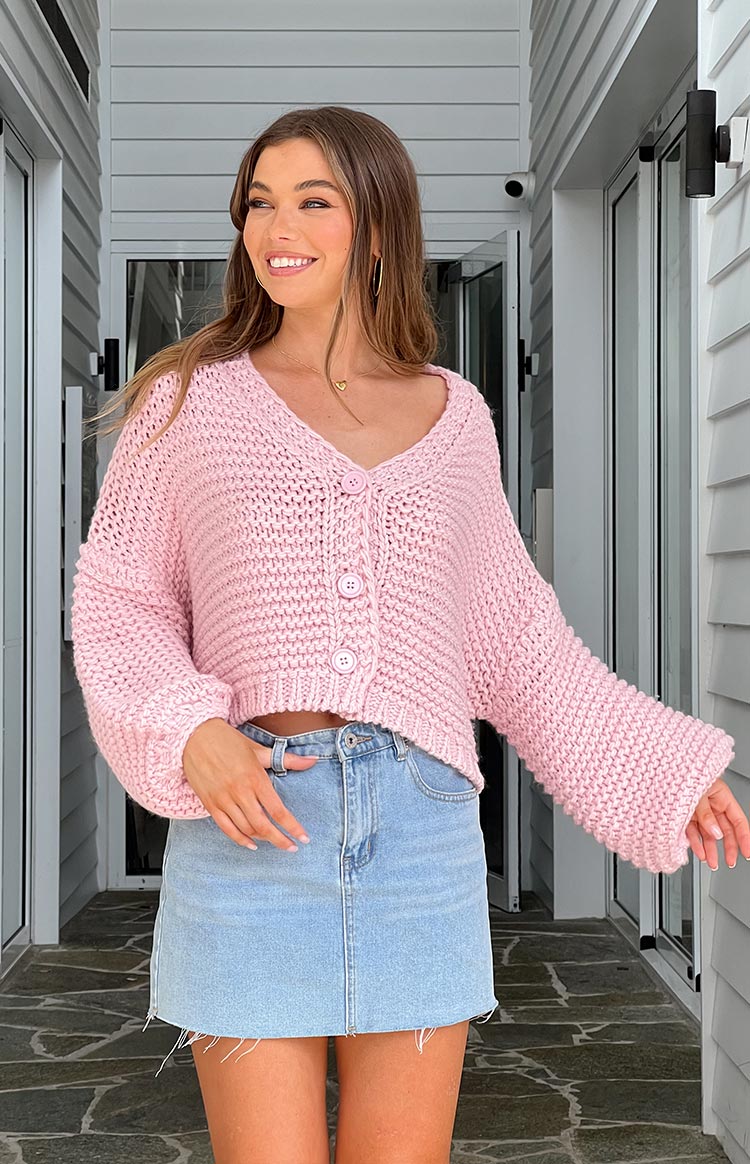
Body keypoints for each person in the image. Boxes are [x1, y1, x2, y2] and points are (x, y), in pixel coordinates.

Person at [71, 106, 748, 1164]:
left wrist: (663, 770)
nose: (275, 227)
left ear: (378, 225)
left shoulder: (456, 415)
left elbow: (516, 640)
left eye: (313, 201)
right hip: (249, 822)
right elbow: (120, 606)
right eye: (259, 201)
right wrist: (188, 727)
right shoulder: (185, 402)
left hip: (420, 830)